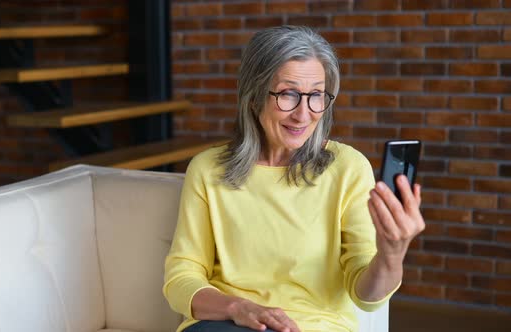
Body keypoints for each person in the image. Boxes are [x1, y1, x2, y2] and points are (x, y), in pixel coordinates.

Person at [163, 25, 425, 332]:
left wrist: (392, 254)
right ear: (253, 96)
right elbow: (182, 276)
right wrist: (238, 307)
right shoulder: (207, 169)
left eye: (316, 95)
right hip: (226, 324)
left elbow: (367, 297)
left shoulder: (348, 168)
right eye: (288, 94)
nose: (304, 114)